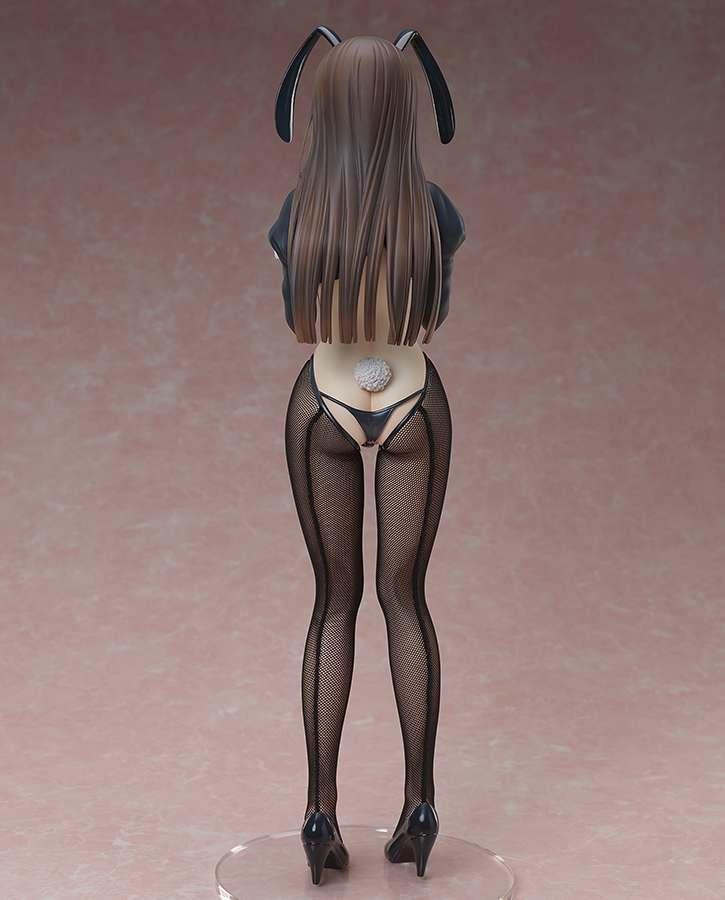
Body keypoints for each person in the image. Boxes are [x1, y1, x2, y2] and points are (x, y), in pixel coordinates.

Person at [268, 27, 466, 885]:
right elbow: (434, 317)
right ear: (403, 108)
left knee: (333, 602)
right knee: (405, 598)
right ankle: (420, 804)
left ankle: (319, 812)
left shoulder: (300, 215)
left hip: (325, 399)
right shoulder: (435, 211)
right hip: (413, 397)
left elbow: (297, 317)